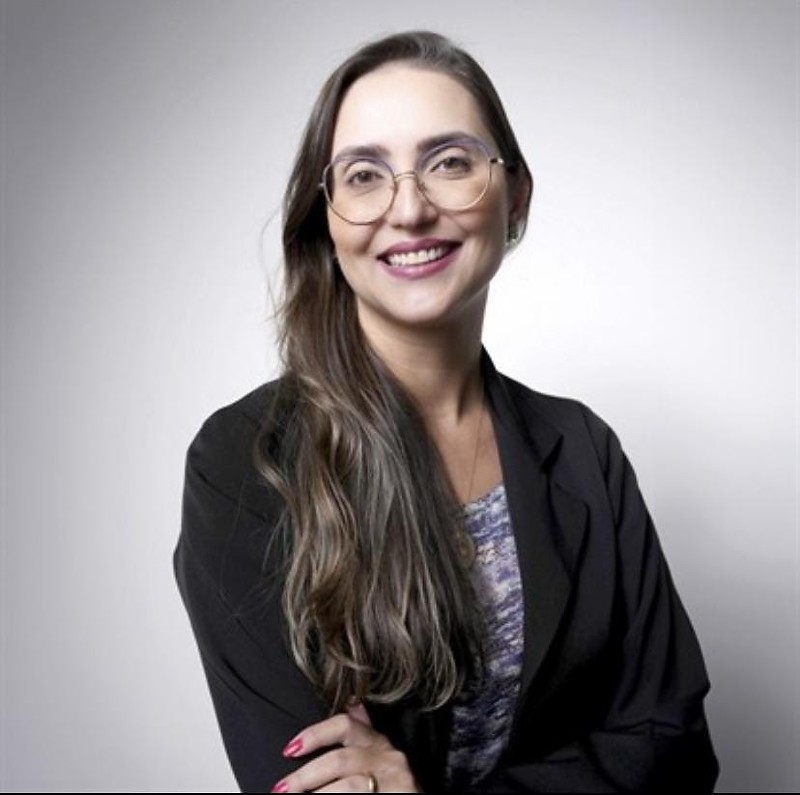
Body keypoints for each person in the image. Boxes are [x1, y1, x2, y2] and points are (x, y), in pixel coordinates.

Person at [174, 30, 718, 794]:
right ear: (326, 216)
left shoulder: (584, 449)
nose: (410, 208)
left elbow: (674, 750)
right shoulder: (245, 461)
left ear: (515, 194)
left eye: (450, 162)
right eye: (365, 175)